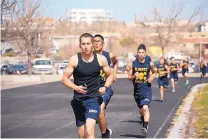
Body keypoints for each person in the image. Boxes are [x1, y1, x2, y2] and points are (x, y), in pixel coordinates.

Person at [62, 33, 114, 138]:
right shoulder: (74, 59)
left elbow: (110, 75)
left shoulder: (100, 59)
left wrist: (105, 87)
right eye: (83, 44)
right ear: (80, 45)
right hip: (78, 100)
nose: (86, 46)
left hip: (93, 99)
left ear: (92, 45)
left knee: (89, 130)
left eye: (88, 43)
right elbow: (64, 78)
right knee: (82, 135)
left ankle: (104, 133)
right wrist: (75, 87)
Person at [127, 44, 156, 138]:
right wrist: (134, 76)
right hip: (137, 91)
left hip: (146, 89)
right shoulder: (133, 64)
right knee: (141, 110)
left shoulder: (149, 63)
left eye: (143, 52)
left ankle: (145, 127)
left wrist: (151, 77)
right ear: (137, 53)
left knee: (145, 108)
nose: (141, 54)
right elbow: (129, 77)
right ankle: (143, 119)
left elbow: (155, 71)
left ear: (145, 53)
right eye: (139, 52)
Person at [93, 34, 118, 138]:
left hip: (105, 88)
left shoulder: (109, 55)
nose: (95, 43)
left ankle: (104, 135)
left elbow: (116, 62)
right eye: (94, 41)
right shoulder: (89, 56)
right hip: (93, 89)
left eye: (98, 41)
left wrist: (114, 74)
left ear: (102, 43)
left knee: (100, 110)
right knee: (97, 115)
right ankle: (106, 130)